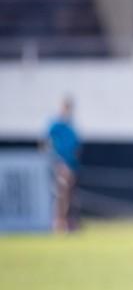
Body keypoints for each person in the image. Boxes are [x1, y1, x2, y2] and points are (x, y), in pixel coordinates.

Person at [43, 96, 82, 233]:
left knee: (70, 195)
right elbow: (46, 144)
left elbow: (76, 146)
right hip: (59, 164)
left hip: (72, 166)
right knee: (61, 193)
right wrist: (57, 162)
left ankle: (69, 222)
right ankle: (59, 222)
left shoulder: (71, 126)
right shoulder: (55, 125)